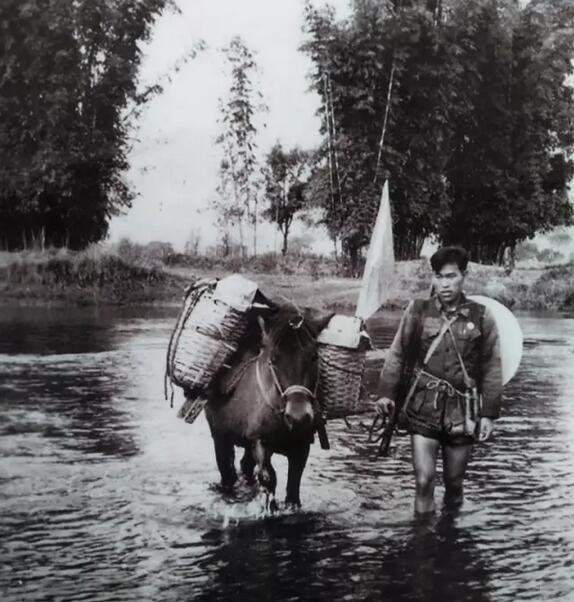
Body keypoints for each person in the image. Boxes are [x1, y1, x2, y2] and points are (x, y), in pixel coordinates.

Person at [375, 246, 502, 515]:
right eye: (439, 276)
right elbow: (397, 353)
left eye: (451, 276)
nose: (444, 284)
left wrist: (489, 414)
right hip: (423, 406)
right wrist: (386, 394)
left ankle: (450, 535)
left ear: (463, 276)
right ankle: (422, 538)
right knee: (423, 481)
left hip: (462, 412)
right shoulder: (418, 310)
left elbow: (492, 366)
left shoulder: (482, 316)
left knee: (454, 484)